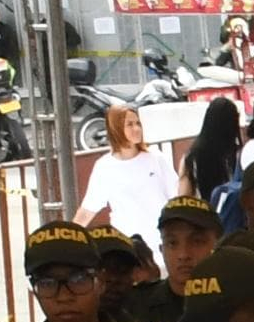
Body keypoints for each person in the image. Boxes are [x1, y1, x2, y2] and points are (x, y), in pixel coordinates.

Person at [72, 102, 181, 251]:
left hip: (161, 242)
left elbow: (176, 197)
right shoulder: (104, 167)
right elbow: (88, 209)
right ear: (116, 128)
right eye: (129, 124)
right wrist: (71, 238)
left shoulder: (156, 158)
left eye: (138, 123)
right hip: (127, 247)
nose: (136, 129)